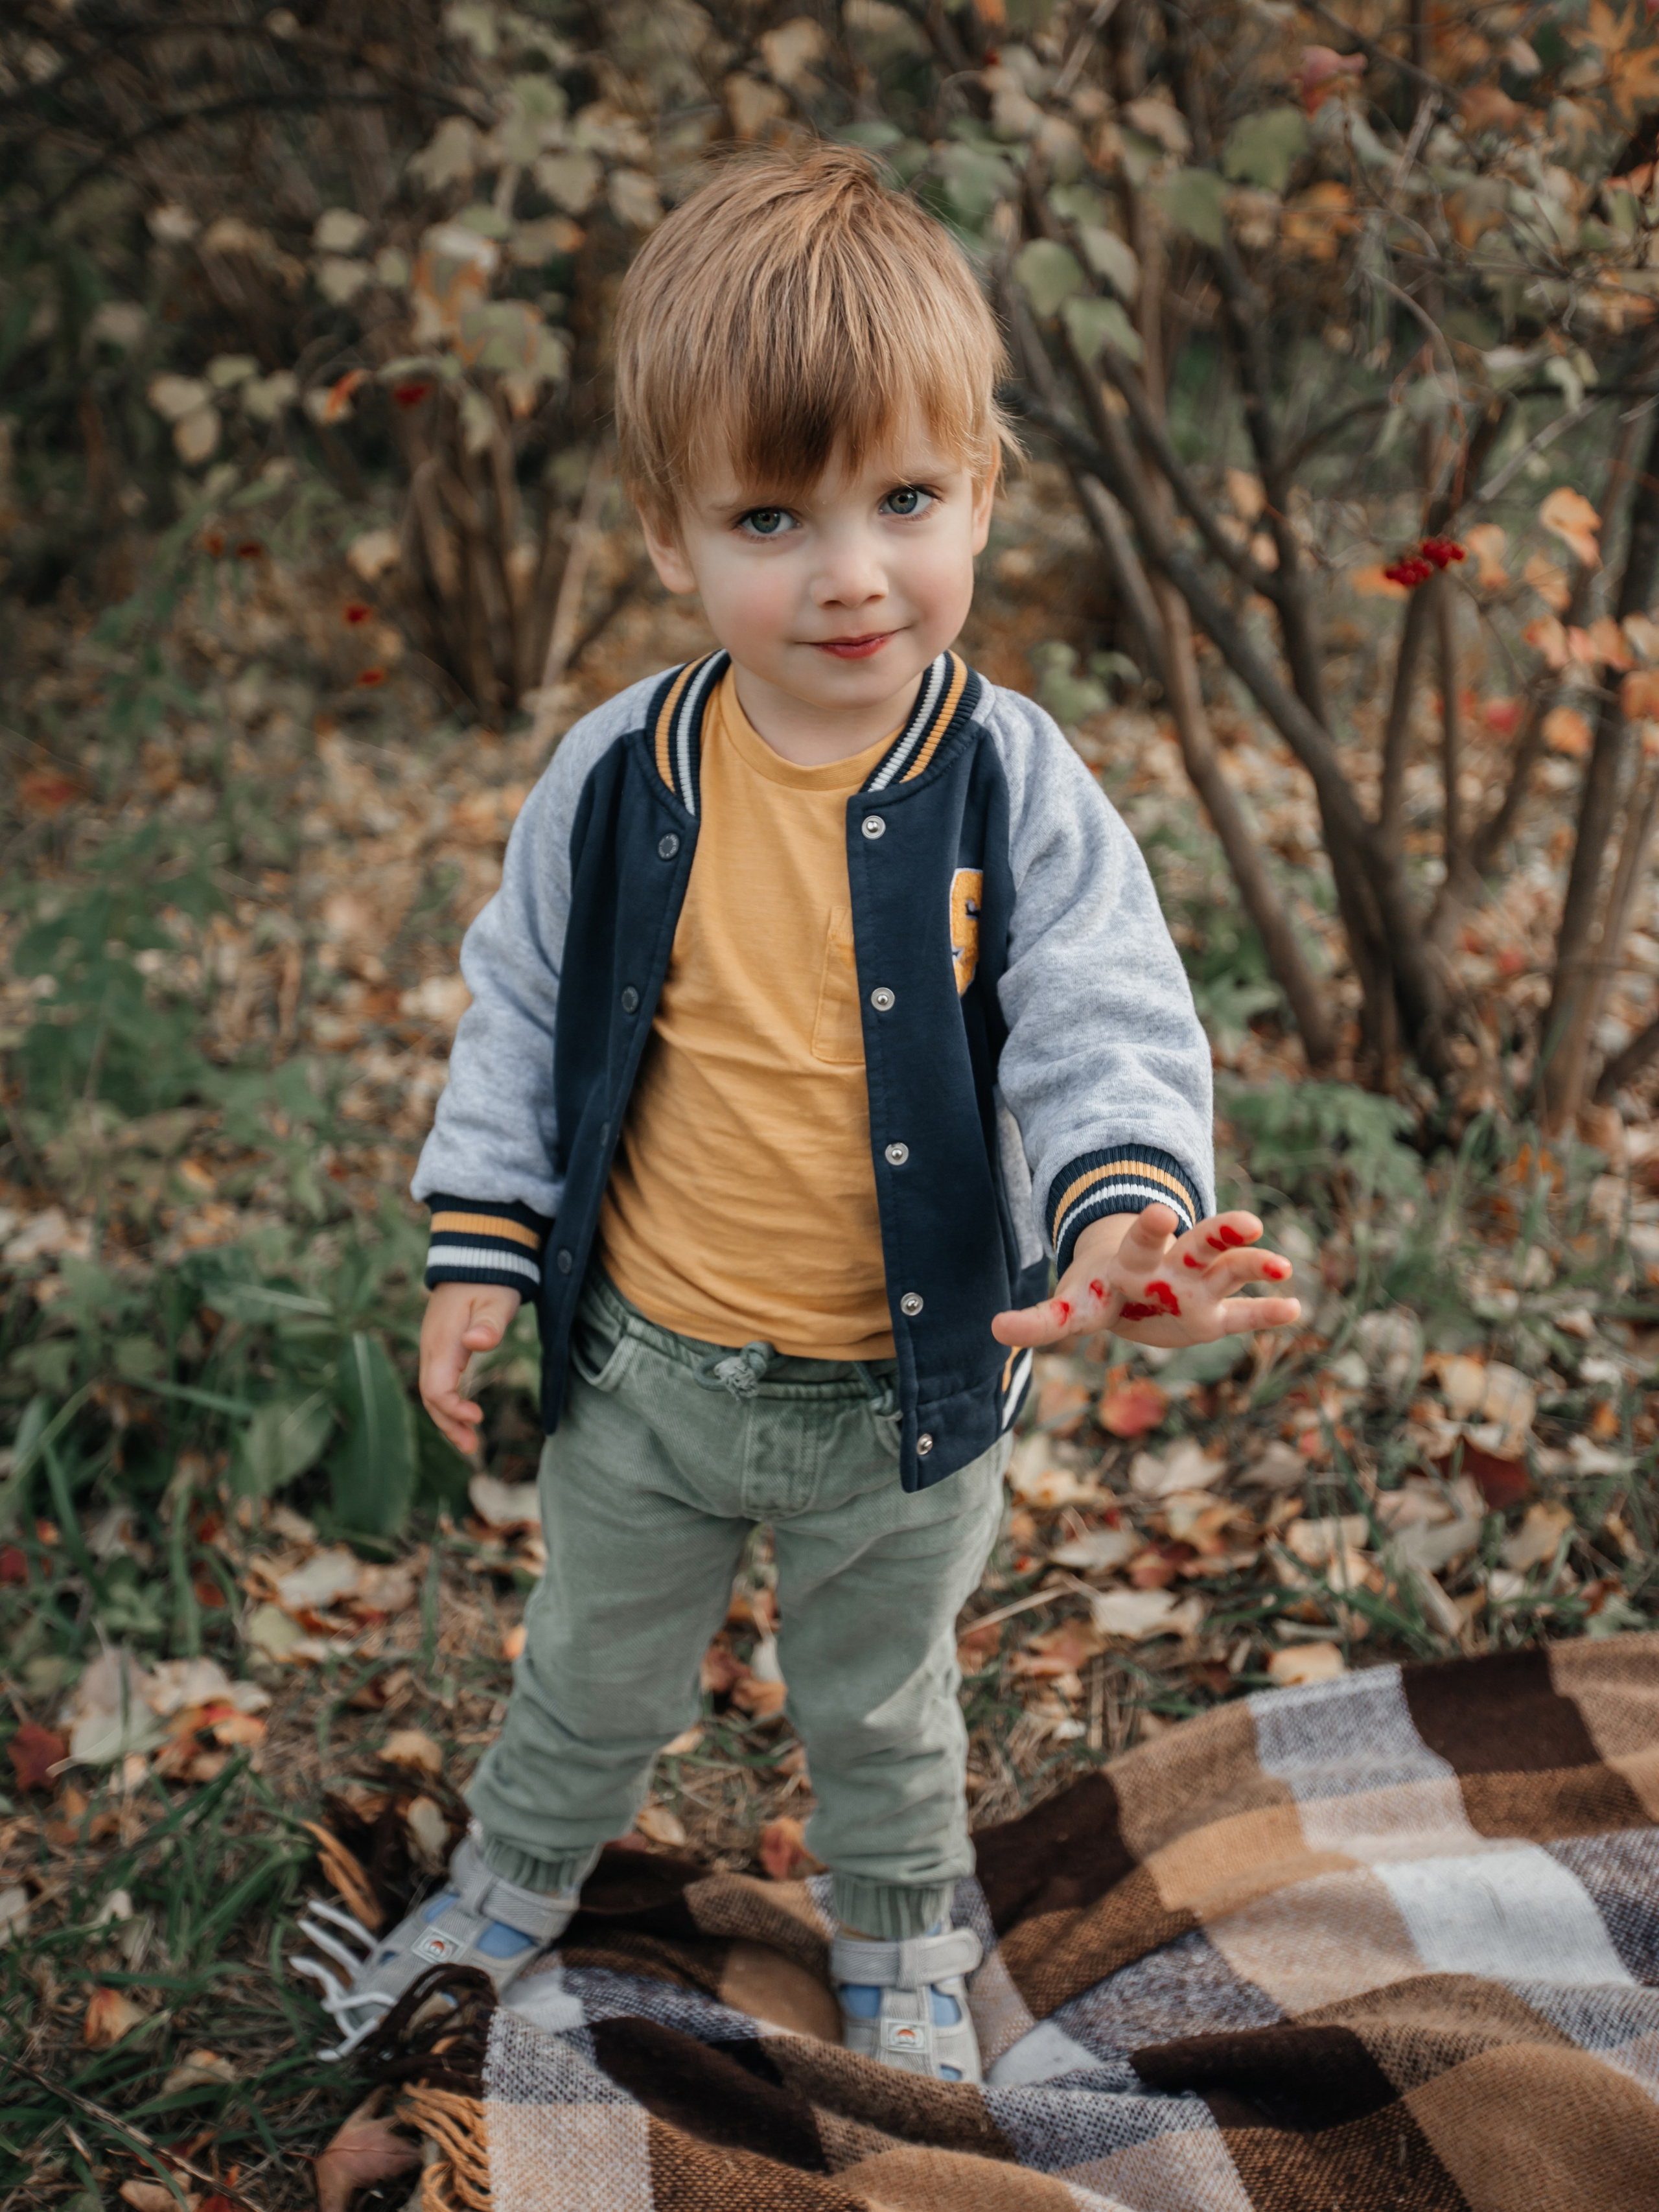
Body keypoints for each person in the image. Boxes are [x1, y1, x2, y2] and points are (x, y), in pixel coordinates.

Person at [296, 144, 1299, 2080]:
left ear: (984, 491)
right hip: (651, 1361)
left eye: (905, 500)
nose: (851, 571)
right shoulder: (620, 775)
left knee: (881, 1702)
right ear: (672, 532)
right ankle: (515, 1872)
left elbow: (1102, 1015)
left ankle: (902, 1942)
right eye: (776, 513)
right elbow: (520, 1010)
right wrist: (482, 1245)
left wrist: (1118, 1220)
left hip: (907, 1388)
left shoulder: (1013, 784)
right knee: (590, 1662)